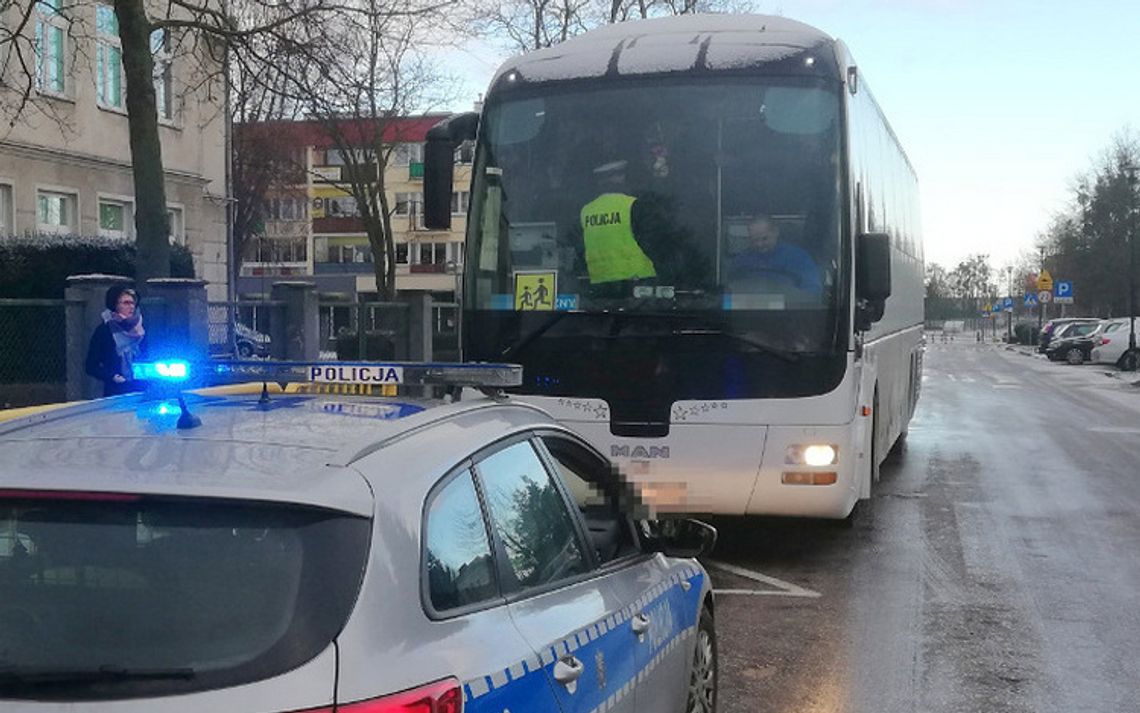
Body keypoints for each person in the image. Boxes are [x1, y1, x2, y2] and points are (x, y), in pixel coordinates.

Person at [579, 160, 657, 284]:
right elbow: (653, 244)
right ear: (620, 178)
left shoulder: (586, 211)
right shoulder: (633, 205)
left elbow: (580, 250)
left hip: (600, 286)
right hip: (638, 283)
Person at [731, 215, 822, 294]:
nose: (759, 244)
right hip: (746, 311)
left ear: (776, 232)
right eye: (755, 240)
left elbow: (813, 290)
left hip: (789, 311)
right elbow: (730, 291)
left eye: (764, 239)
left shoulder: (799, 258)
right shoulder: (741, 260)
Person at [85, 285, 146, 396]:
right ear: (115, 305)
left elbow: (150, 355)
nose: (131, 307)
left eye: (133, 303)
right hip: (116, 391)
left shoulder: (141, 329)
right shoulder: (104, 331)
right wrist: (112, 376)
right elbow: (91, 366)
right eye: (126, 303)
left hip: (142, 389)